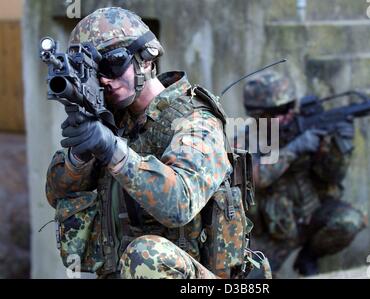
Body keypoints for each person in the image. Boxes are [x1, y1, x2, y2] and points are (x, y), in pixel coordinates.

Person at [45, 7, 259, 279]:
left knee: (147, 256)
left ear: (146, 59)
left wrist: (113, 151)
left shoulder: (196, 120)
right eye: (94, 70)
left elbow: (180, 203)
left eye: (112, 64)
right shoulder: (114, 122)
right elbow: (56, 195)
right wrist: (79, 159)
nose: (104, 79)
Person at [235, 71, 366, 277]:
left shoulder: (304, 126)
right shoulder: (244, 140)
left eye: (289, 107)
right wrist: (294, 149)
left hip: (312, 216)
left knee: (349, 221)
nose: (287, 114)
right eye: (279, 110)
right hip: (273, 233)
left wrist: (340, 149)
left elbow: (333, 176)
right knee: (249, 280)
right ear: (258, 114)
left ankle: (309, 256)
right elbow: (256, 178)